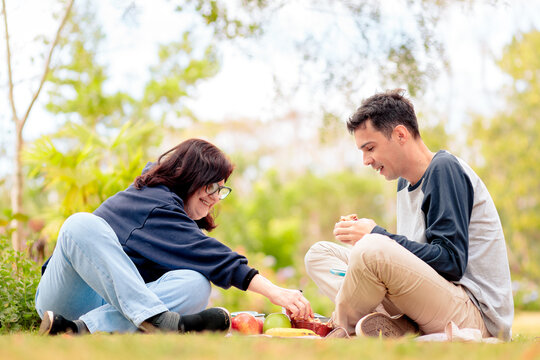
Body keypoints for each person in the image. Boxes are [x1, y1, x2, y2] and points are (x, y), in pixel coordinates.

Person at [36, 138, 313, 335]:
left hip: (116, 306)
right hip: (70, 297)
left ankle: (78, 330)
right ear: (192, 177)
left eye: (222, 190)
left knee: (196, 283)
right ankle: (157, 321)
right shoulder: (152, 202)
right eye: (212, 186)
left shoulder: (176, 213)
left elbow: (206, 260)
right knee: (80, 224)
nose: (216, 198)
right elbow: (216, 257)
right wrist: (276, 292)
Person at [304, 89, 513, 340]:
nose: (365, 160)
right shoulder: (404, 183)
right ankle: (390, 325)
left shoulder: (443, 170)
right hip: (431, 303)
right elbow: (412, 260)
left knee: (371, 247)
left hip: (473, 312)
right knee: (319, 255)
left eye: (370, 148)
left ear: (400, 134)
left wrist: (376, 235)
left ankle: (341, 331)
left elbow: (450, 263)